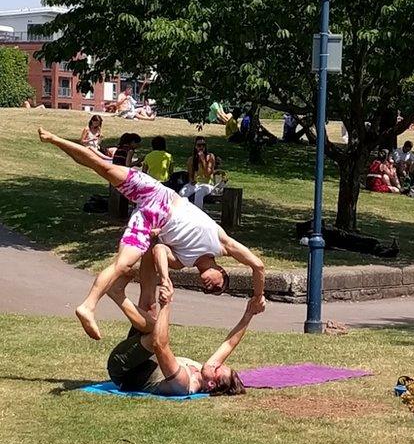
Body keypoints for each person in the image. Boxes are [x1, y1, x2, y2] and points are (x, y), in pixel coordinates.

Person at [36, 128, 267, 341]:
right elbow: (258, 266)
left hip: (148, 221)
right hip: (159, 196)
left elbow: (158, 249)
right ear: (221, 271)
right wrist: (258, 296)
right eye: (218, 286)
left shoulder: (182, 262)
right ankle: (55, 139)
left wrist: (165, 278)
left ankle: (87, 306)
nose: (210, 287)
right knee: (103, 167)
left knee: (122, 265)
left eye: (210, 291)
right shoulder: (221, 244)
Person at [106, 256, 252, 397]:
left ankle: (116, 294)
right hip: (143, 357)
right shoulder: (208, 371)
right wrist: (249, 313)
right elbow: (229, 343)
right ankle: (149, 250)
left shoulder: (183, 384)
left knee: (156, 330)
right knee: (149, 310)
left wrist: (166, 304)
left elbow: (159, 344)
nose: (217, 363)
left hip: (123, 369)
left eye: (218, 368)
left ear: (211, 384)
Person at [180, 136, 217, 209]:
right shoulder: (191, 159)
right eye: (199, 145)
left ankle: (198, 214)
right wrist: (191, 181)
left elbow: (208, 174)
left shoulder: (210, 157)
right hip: (196, 184)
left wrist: (203, 160)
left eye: (203, 145)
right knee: (182, 193)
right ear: (195, 146)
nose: (201, 147)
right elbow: (190, 176)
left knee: (199, 193)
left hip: (207, 184)